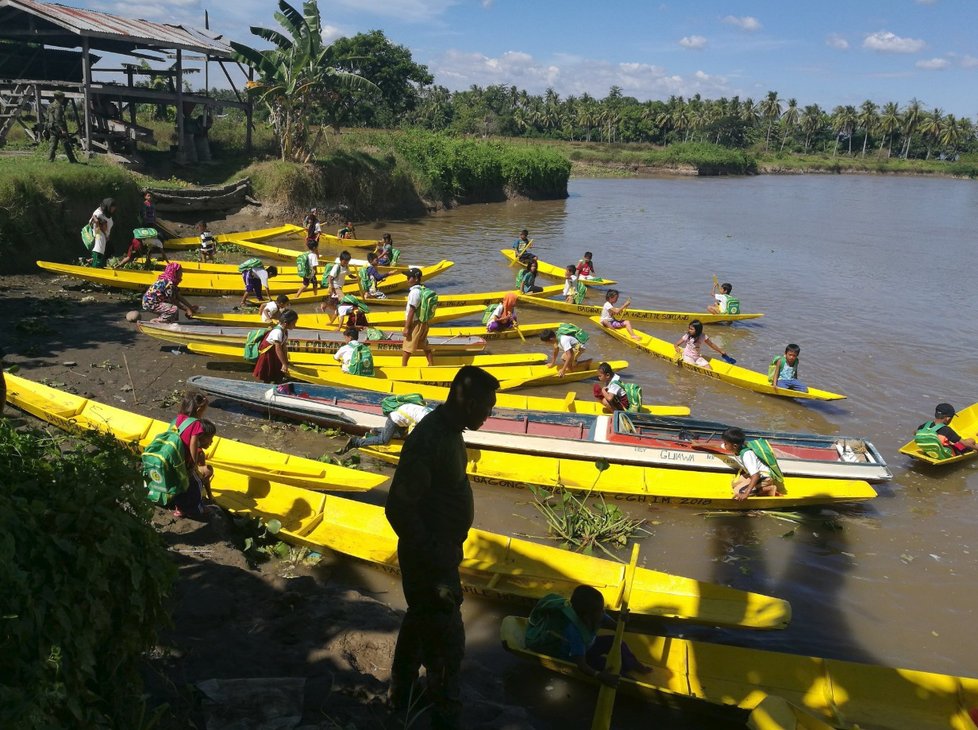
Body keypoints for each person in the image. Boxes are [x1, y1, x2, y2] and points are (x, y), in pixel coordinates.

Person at [385, 366, 500, 730]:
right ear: (467, 401)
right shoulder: (431, 438)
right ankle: (443, 712)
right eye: (487, 406)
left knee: (419, 624)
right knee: (448, 641)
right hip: (430, 560)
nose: (490, 414)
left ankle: (400, 696)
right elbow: (399, 507)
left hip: (439, 552)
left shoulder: (451, 433)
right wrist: (432, 550)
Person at [524, 585, 648, 684]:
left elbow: (617, 627)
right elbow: (581, 665)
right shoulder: (574, 633)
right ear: (587, 617)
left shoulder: (597, 615)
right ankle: (626, 679)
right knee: (603, 665)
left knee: (616, 641)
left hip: (589, 645)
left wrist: (624, 620)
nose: (603, 612)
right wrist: (599, 675)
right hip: (578, 656)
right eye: (600, 610)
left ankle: (633, 663)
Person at [171, 390, 216, 519]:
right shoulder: (195, 424)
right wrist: (194, 462)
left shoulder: (179, 418)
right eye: (204, 410)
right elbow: (193, 444)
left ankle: (179, 509)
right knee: (196, 485)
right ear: (199, 409)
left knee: (180, 486)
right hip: (186, 461)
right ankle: (198, 509)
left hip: (176, 458)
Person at [340, 400, 434, 454]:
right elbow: (412, 436)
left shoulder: (431, 412)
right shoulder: (424, 418)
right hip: (394, 419)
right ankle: (356, 442)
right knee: (384, 440)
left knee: (401, 435)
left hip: (402, 417)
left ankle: (376, 431)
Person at [722, 427, 785, 501]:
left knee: (740, 492)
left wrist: (746, 493)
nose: (724, 445)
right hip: (754, 475)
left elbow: (756, 475)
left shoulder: (747, 455)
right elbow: (722, 446)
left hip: (763, 477)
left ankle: (768, 489)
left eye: (725, 443)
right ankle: (756, 487)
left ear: (735, 446)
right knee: (734, 484)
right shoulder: (737, 447)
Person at [253, 309, 299, 383]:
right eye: (293, 323)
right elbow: (278, 349)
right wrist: (284, 364)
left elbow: (284, 347)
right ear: (285, 323)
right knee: (268, 374)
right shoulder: (277, 332)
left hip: (274, 354)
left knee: (276, 373)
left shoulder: (285, 331)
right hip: (268, 354)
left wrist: (286, 361)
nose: (295, 325)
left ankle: (276, 382)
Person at [402, 268, 434, 367]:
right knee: (424, 343)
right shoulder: (422, 289)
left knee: (407, 346)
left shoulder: (414, 292)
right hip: (423, 322)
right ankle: (431, 364)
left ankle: (403, 367)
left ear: (416, 279)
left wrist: (407, 327)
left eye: (409, 277)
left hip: (415, 323)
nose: (407, 279)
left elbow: (412, 310)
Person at [46, 91, 78, 163]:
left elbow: (47, 118)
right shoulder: (59, 106)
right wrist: (63, 129)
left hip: (51, 127)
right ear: (60, 98)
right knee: (66, 144)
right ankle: (72, 160)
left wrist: (47, 127)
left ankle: (50, 160)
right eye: (62, 97)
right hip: (58, 128)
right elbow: (58, 119)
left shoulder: (50, 106)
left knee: (53, 145)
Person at [86, 198, 115, 268]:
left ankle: (93, 262)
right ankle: (96, 266)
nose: (113, 210)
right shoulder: (98, 213)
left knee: (109, 251)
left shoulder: (107, 213)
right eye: (112, 208)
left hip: (105, 236)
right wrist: (102, 233)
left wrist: (106, 236)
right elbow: (93, 224)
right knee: (99, 249)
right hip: (99, 234)